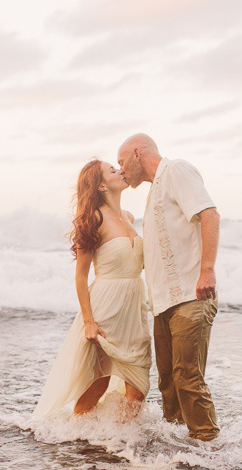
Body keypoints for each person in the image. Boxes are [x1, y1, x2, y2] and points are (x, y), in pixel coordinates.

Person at [30, 159, 151, 425]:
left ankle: (121, 442)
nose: (120, 170)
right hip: (105, 308)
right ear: (100, 185)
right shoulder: (93, 219)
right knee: (98, 383)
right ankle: (78, 438)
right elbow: (82, 275)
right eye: (112, 170)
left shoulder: (129, 217)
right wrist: (88, 321)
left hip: (134, 309)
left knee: (138, 385)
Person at [118, 134, 220, 442]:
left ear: (138, 153)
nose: (121, 170)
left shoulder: (175, 170)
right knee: (169, 385)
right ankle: (179, 448)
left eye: (122, 162)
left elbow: (209, 214)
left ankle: (209, 446)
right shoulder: (153, 194)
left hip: (191, 294)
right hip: (163, 304)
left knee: (188, 377)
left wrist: (207, 270)